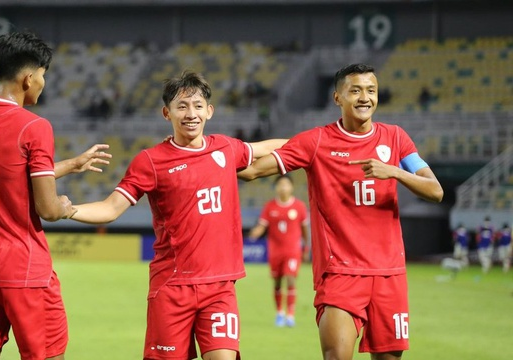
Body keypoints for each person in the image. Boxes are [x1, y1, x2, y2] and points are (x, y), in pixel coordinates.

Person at [69, 71, 286, 360]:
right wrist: (67, 210)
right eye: (181, 106)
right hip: (171, 287)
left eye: (197, 105)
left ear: (209, 111)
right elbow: (111, 208)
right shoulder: (150, 161)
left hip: (220, 287)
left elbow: (264, 148)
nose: (190, 114)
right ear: (166, 112)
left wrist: (318, 145)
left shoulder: (225, 148)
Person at [239, 63, 444, 360]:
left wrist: (394, 172)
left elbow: (435, 190)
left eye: (371, 90)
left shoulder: (396, 138)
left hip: (390, 274)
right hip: (340, 273)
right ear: (338, 98)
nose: (365, 98)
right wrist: (211, 149)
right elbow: (251, 172)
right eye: (355, 90)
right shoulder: (317, 141)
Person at [0, 32, 111, 360]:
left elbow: (6, 174)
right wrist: (65, 207)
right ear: (28, 78)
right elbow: (47, 209)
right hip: (22, 270)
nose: (42, 85)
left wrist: (70, 164)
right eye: (43, 77)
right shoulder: (33, 126)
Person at [248, 174, 309, 328]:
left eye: (286, 185)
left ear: (292, 187)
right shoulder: (270, 206)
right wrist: (256, 232)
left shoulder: (299, 206)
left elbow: (304, 229)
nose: (283, 187)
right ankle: (279, 313)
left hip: (292, 251)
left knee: (290, 278)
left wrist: (306, 247)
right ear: (276, 187)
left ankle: (290, 315)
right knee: (277, 282)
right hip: (275, 251)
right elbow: (262, 225)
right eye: (280, 184)